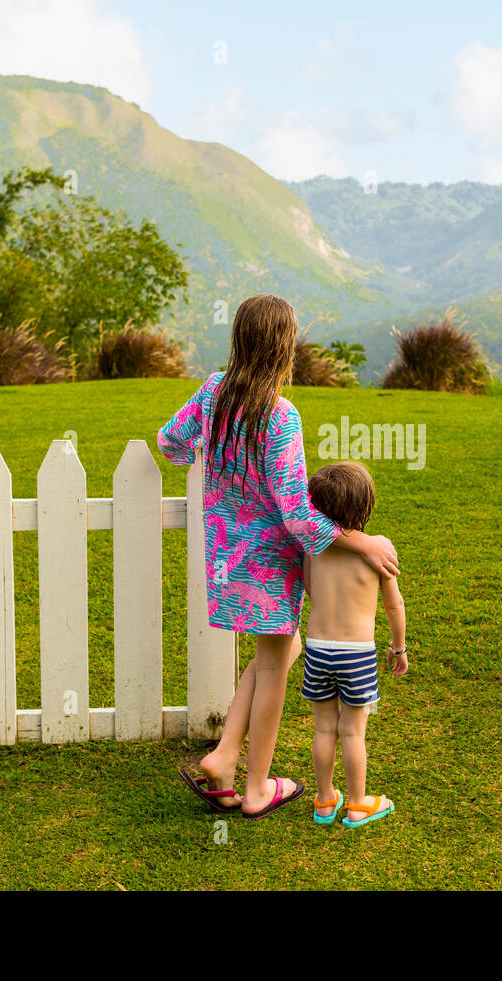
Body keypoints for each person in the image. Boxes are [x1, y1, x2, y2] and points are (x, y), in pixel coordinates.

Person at [161, 294, 399, 818]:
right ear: (284, 346)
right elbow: (297, 515)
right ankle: (255, 788)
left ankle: (224, 757)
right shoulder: (280, 415)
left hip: (225, 557)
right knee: (274, 666)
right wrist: (362, 540)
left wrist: (210, 456)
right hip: (270, 561)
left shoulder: (212, 393)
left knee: (275, 654)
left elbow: (169, 442)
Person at [301, 461, 408, 828]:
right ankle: (360, 803)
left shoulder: (313, 549)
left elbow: (311, 589)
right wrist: (398, 647)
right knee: (352, 731)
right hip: (357, 655)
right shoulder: (376, 554)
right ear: (365, 507)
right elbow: (394, 605)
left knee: (323, 728)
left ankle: (325, 800)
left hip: (317, 648)